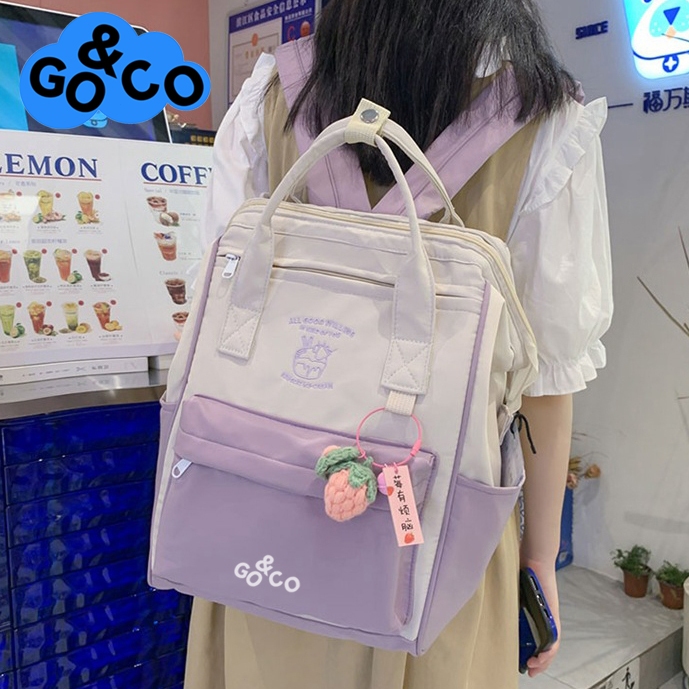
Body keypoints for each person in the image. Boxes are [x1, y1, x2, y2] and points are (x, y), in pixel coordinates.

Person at [187, 1, 613, 686]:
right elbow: (546, 382)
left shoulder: (269, 96)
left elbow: (213, 298)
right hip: (439, 544)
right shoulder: (543, 123)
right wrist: (539, 560)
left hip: (264, 522)